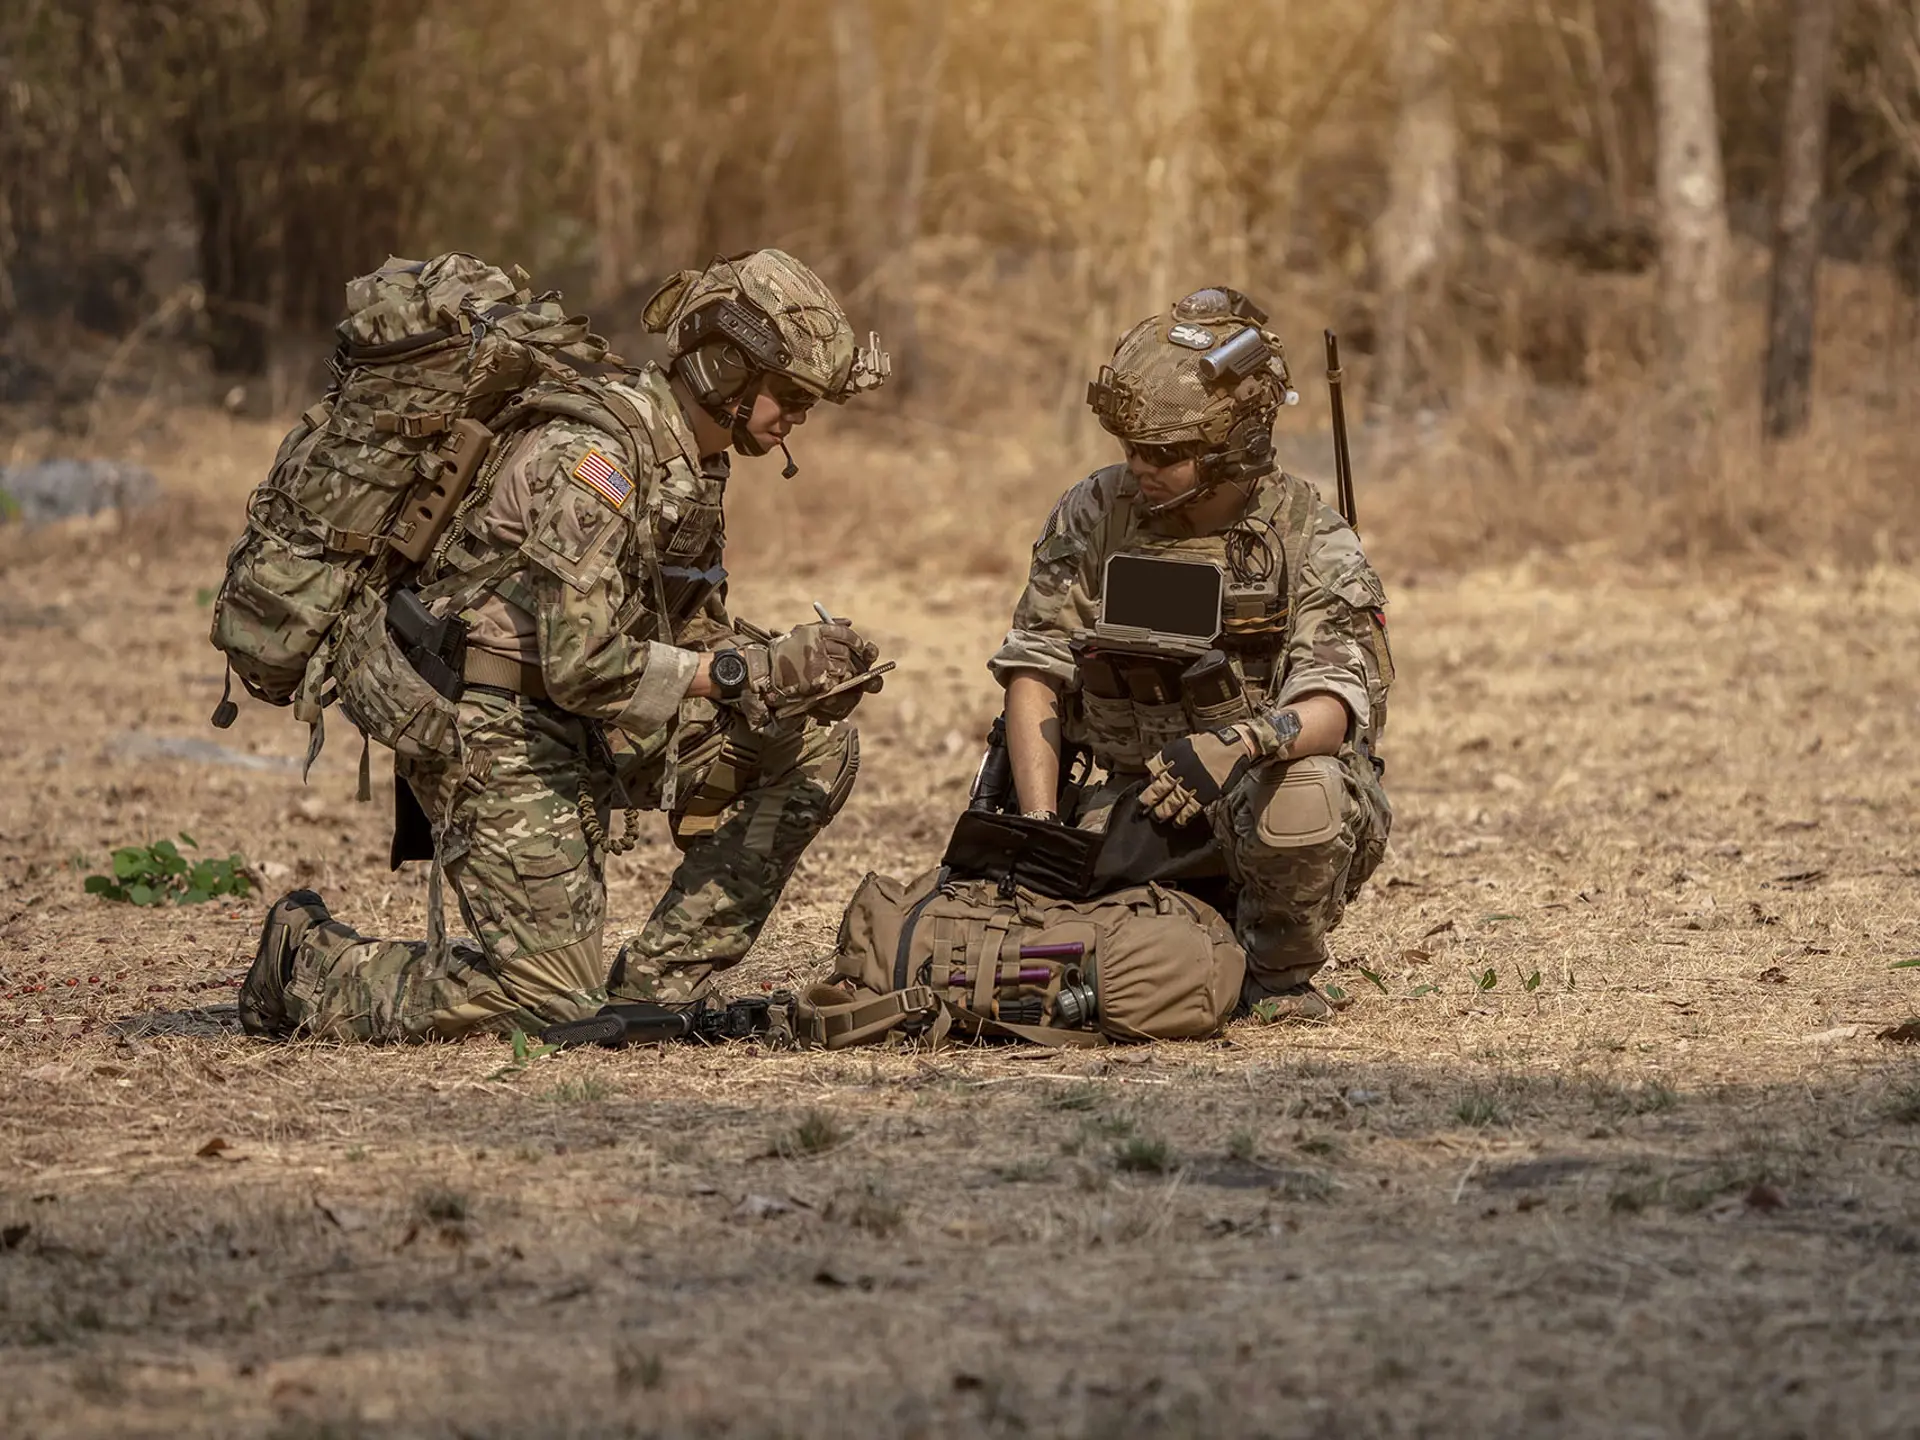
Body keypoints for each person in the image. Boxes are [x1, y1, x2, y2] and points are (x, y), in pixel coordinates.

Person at [240, 250, 889, 1042]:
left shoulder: (691, 463)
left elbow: (679, 631)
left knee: (813, 744)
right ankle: (306, 964)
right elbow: (583, 664)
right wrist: (743, 671)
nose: (797, 419)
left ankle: (657, 988)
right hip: (491, 722)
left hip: (574, 716)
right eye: (790, 396)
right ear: (727, 367)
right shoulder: (596, 461)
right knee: (550, 1007)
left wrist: (790, 674)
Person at [987, 287, 1393, 1019]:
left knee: (1309, 791)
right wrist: (1039, 832)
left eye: (1166, 454)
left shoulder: (1313, 537)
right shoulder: (1097, 510)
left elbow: (1333, 702)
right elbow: (1035, 666)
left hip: (1253, 804)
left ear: (1237, 448)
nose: (1141, 467)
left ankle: (1276, 976)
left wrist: (1239, 744)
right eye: (1131, 450)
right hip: (1127, 803)